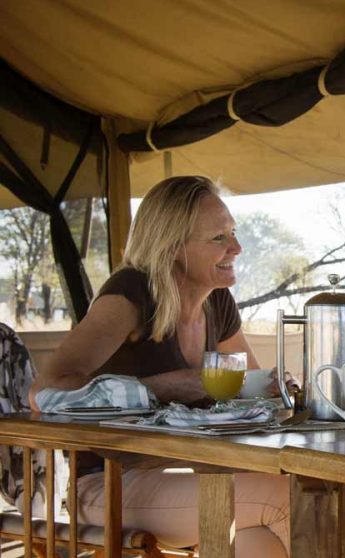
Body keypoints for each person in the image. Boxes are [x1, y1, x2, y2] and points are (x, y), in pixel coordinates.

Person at [29, 176, 290, 557]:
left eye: (233, 232)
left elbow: (251, 386)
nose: (237, 247)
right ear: (172, 247)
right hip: (108, 483)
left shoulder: (218, 303)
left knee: (264, 538)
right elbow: (46, 392)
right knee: (281, 496)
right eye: (219, 238)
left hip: (189, 471)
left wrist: (275, 387)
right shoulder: (131, 293)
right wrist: (160, 387)